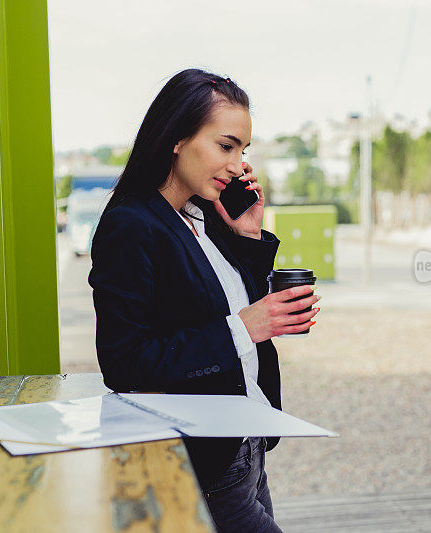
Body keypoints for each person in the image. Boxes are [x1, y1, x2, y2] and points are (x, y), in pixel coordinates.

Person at [88, 68, 320, 532]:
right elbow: (124, 362)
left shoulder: (202, 216)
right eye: (226, 145)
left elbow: (235, 308)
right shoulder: (132, 225)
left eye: (243, 151)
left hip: (245, 443)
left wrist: (249, 236)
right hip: (205, 463)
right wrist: (245, 328)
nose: (238, 164)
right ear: (176, 138)